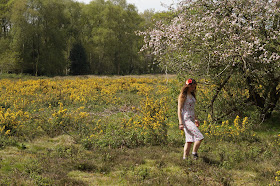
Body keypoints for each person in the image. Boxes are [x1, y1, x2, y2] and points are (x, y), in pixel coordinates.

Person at [178, 78, 204, 160]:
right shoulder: (183, 96)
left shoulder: (192, 95)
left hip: (191, 119)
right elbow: (179, 109)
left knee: (189, 141)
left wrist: (196, 119)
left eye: (194, 87)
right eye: (192, 87)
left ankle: (185, 159)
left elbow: (192, 109)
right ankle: (194, 154)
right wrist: (181, 123)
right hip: (186, 120)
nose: (193, 88)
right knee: (200, 137)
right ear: (187, 86)